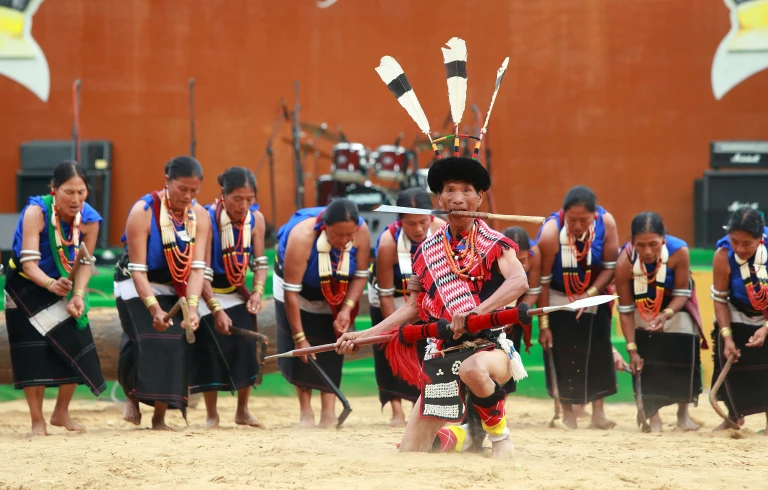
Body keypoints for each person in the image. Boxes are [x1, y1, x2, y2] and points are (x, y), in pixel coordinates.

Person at [336, 156, 529, 459]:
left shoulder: (495, 243)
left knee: (473, 368)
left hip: (490, 350)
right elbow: (413, 308)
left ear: (479, 198)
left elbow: (519, 282)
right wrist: (362, 335)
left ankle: (500, 436)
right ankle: (462, 434)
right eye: (450, 190)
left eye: (466, 190)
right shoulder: (427, 250)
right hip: (444, 356)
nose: (458, 198)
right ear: (439, 199)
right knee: (411, 451)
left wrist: (476, 313)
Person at [4, 161, 105, 436]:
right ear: (53, 189)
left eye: (81, 192)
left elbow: (84, 263)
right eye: (68, 192)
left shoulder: (90, 220)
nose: (75, 199)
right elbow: (29, 265)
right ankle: (37, 421)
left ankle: (61, 412)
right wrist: (50, 284)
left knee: (75, 342)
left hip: (64, 283)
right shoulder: (36, 212)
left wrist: (79, 294)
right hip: (27, 284)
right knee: (31, 352)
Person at [114, 156, 209, 430]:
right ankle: (131, 396)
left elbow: (197, 269)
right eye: (183, 189)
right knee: (146, 337)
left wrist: (193, 309)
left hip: (176, 284)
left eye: (194, 191)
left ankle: (159, 417)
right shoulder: (142, 211)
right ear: (167, 182)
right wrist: (155, 309)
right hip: (134, 281)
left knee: (175, 340)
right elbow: (138, 271)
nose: (188, 196)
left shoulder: (200, 215)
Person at [274, 198, 371, 427]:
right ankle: (306, 412)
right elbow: (291, 294)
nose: (344, 240)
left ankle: (329, 412)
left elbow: (360, 275)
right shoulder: (302, 236)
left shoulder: (362, 231)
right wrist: (300, 338)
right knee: (303, 352)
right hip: (295, 291)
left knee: (333, 344)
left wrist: (346, 309)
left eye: (349, 235)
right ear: (325, 227)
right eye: (338, 234)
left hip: (338, 287)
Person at [536, 185, 621, 430]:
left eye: (584, 220)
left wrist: (588, 294)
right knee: (562, 353)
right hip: (556, 297)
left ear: (594, 215)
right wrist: (544, 325)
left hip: (593, 293)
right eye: (572, 219)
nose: (577, 225)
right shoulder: (551, 232)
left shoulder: (607, 222)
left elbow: (610, 267)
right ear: (563, 213)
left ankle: (598, 414)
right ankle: (568, 415)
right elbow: (542, 281)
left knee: (598, 350)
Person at [190, 167, 267, 428]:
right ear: (223, 194)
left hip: (235, 291)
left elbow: (260, 263)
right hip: (204, 291)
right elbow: (200, 271)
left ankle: (242, 410)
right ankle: (211, 414)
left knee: (246, 345)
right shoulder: (206, 218)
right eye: (237, 199)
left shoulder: (256, 220)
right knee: (210, 347)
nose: (244, 206)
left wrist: (257, 291)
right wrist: (216, 309)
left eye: (249, 199)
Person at [615, 211, 704, 432]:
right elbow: (625, 310)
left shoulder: (679, 251)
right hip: (641, 307)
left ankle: (683, 415)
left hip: (676, 306)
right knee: (645, 356)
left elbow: (682, 293)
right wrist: (632, 349)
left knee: (684, 345)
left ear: (663, 240)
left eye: (653, 244)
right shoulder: (624, 261)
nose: (647, 251)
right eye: (640, 245)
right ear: (632, 242)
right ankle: (652, 415)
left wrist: (665, 314)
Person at [369, 188, 445, 426]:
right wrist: (395, 329)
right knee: (391, 348)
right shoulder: (388, 242)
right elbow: (385, 294)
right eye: (411, 223)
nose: (419, 229)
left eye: (423, 222)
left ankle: (418, 406)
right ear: (399, 221)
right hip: (390, 297)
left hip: (427, 298)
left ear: (431, 217)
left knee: (425, 350)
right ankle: (396, 411)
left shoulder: (443, 231)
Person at [711, 208, 768, 432]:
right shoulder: (723, 254)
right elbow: (720, 299)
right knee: (729, 360)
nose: (740, 249)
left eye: (747, 243)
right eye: (734, 241)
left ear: (760, 238)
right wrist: (727, 338)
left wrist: (765, 328)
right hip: (737, 311)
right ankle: (734, 415)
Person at [500, 226, 541, 395]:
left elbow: (533, 292)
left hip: (516, 313)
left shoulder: (535, 254)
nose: (518, 266)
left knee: (509, 364)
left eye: (522, 260)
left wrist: (513, 317)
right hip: (490, 313)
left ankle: (501, 408)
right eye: (513, 261)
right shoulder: (491, 254)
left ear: (529, 254)